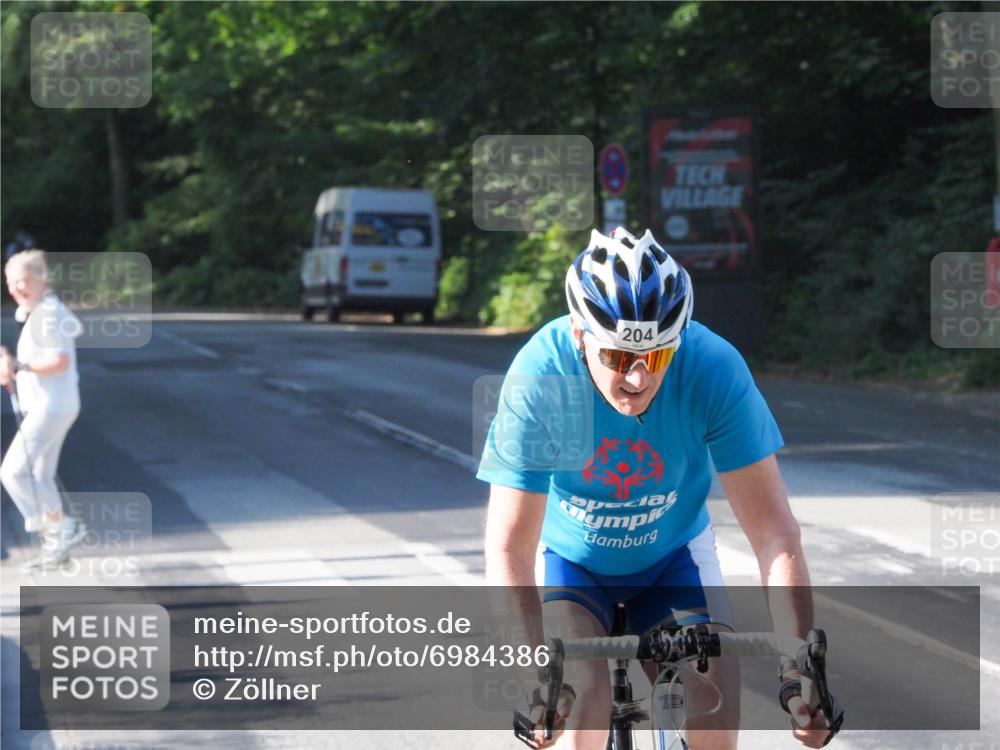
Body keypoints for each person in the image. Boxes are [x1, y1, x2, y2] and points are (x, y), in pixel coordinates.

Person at [479, 228, 840, 749]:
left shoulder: (713, 368)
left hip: (673, 559)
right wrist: (534, 672)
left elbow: (774, 533)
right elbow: (509, 545)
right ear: (580, 334)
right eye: (618, 357)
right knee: (580, 704)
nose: (637, 379)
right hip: (572, 562)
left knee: (712, 715)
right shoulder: (541, 378)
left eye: (656, 358)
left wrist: (798, 666)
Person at [1, 249, 85, 570]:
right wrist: (12, 364)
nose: (15, 288)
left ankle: (62, 528)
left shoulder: (48, 314)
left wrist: (19, 366)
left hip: (52, 407)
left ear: (41, 278)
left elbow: (59, 361)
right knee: (41, 475)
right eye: (10, 283)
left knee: (13, 472)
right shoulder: (41, 312)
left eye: (22, 280)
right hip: (55, 405)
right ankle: (56, 545)